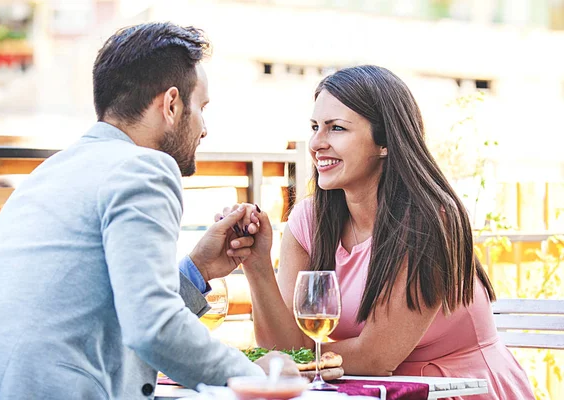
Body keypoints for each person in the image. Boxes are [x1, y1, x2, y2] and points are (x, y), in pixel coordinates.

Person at [0, 22, 297, 400]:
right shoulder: (144, 168)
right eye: (201, 108)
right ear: (171, 104)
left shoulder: (48, 174)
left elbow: (102, 303)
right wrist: (255, 376)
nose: (204, 129)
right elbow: (153, 327)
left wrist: (197, 269)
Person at [228, 66, 535, 399]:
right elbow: (287, 346)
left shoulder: (429, 221)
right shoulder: (310, 220)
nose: (316, 143)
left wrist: (292, 360)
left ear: (385, 142)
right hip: (367, 390)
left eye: (337, 129)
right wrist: (256, 264)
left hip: (457, 389)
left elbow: (375, 357)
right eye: (315, 127)